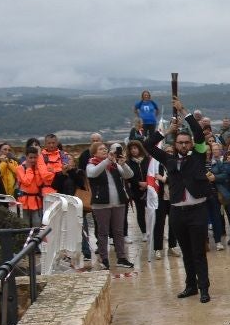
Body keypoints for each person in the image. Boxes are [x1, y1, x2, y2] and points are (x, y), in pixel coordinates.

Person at [147, 99, 213, 302]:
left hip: (197, 210)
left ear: (191, 144)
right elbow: (148, 145)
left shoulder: (198, 156)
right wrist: (167, 131)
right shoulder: (168, 159)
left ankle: (204, 288)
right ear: (175, 145)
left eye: (186, 142)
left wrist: (183, 111)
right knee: (186, 252)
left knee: (198, 252)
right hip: (177, 211)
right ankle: (190, 285)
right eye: (180, 142)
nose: (184, 145)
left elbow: (199, 133)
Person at [85, 142, 135, 270]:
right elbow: (93, 173)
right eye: (101, 149)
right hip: (101, 204)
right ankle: (104, 259)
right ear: (94, 153)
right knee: (103, 232)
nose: (104, 150)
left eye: (105, 148)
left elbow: (129, 175)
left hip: (118, 202)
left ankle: (121, 258)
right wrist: (107, 160)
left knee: (119, 231)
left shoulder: (114, 164)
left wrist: (123, 164)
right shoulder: (91, 165)